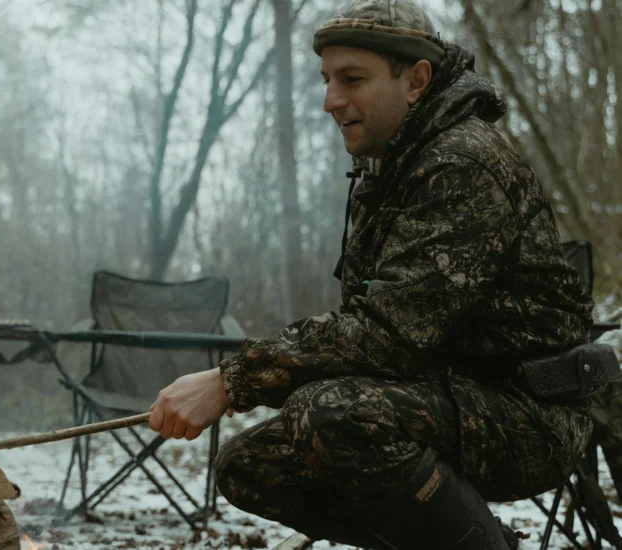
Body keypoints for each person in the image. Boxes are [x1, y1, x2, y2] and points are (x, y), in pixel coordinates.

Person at [147, 1, 616, 548]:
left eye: (352, 79)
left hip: (533, 414)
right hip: (454, 398)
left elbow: (384, 337)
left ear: (416, 80)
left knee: (332, 414)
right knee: (250, 464)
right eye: (326, 80)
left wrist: (231, 380)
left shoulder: (461, 163)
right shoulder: (393, 165)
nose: (330, 101)